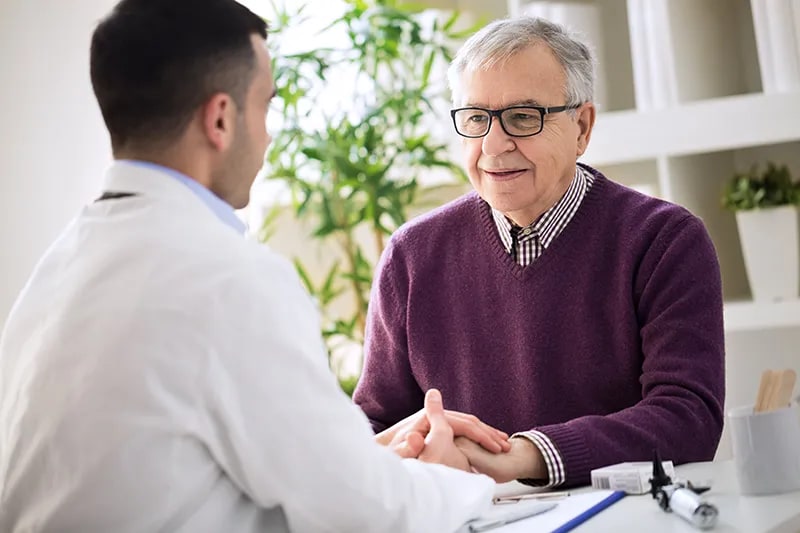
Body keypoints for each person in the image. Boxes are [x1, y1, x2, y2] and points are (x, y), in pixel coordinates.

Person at [0, 1, 512, 531]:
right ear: (221, 118)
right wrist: (458, 480)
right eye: (265, 107)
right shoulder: (227, 276)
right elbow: (366, 514)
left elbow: (180, 472)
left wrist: (356, 458)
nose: (268, 136)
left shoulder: (56, 271)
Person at [353, 15, 725, 488]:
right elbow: (373, 425)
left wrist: (525, 455)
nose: (493, 144)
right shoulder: (411, 255)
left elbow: (688, 418)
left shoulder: (664, 240)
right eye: (475, 119)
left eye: (524, 117)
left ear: (582, 127)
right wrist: (403, 445)